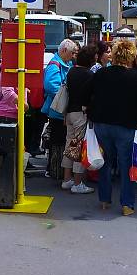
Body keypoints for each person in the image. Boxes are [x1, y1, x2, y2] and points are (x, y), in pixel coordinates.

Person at [82, 39, 137, 216]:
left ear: (114, 54)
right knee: (126, 164)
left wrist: (90, 110)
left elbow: (85, 94)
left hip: (101, 125)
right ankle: (127, 204)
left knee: (105, 162)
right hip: (126, 127)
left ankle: (105, 200)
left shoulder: (101, 74)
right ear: (131, 56)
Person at [61, 45, 97, 194]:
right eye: (94, 56)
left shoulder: (71, 71)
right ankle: (77, 183)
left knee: (69, 146)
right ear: (89, 59)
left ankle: (66, 179)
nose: (96, 58)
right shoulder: (89, 75)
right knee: (79, 148)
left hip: (69, 113)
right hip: (81, 115)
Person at [42, 39, 77, 179]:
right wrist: (67, 97)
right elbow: (51, 86)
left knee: (59, 141)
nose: (73, 55)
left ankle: (56, 169)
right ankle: (54, 169)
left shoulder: (64, 64)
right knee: (57, 141)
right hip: (57, 111)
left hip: (60, 111)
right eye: (72, 52)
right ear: (63, 51)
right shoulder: (55, 65)